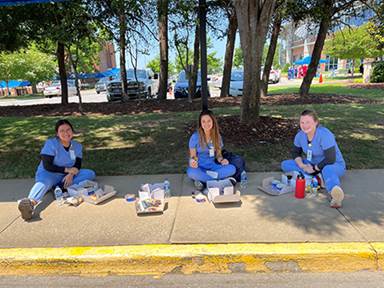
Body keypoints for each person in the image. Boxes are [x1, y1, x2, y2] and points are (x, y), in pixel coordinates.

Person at [17, 119, 96, 220]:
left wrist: (71, 174)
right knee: (44, 183)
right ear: (57, 134)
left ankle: (58, 187)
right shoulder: (51, 144)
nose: (66, 133)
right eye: (62, 131)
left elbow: (77, 164)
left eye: (68, 130)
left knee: (90, 173)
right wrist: (68, 170)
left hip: (66, 175)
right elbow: (47, 165)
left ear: (72, 131)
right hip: (49, 173)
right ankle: (30, 203)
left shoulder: (77, 146)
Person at [281, 110, 346, 208]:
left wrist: (315, 168)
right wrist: (302, 166)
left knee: (327, 169)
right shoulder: (300, 135)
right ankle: (319, 178)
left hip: (333, 164)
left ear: (316, 122)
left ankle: (335, 194)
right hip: (311, 164)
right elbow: (295, 153)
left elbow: (330, 159)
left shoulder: (325, 134)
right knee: (285, 164)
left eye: (308, 122)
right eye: (302, 122)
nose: (305, 125)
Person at [187, 110, 236, 190]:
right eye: (203, 121)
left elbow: (218, 155)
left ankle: (205, 182)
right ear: (200, 123)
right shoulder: (195, 137)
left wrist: (222, 160)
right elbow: (193, 156)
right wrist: (192, 161)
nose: (206, 124)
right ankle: (219, 181)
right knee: (191, 172)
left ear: (213, 122)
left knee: (232, 168)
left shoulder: (217, 137)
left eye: (209, 121)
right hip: (200, 167)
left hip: (213, 167)